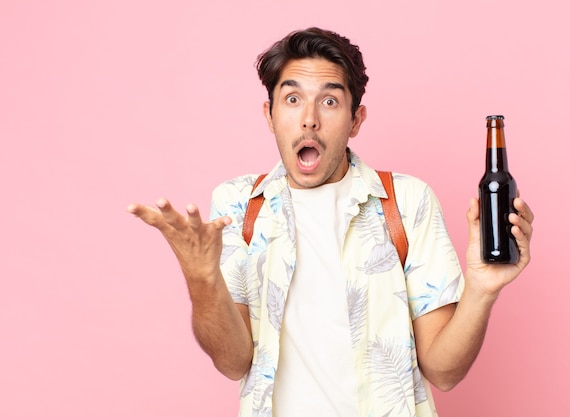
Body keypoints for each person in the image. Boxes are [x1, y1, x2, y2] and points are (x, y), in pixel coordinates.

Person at [127, 27, 534, 417]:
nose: (309, 120)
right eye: (292, 100)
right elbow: (233, 362)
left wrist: (481, 290)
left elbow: (444, 372)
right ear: (269, 116)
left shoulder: (407, 202)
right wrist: (202, 278)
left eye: (329, 101)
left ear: (356, 120)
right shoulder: (237, 204)